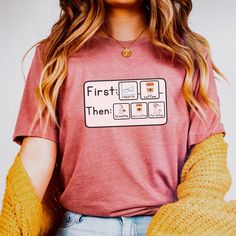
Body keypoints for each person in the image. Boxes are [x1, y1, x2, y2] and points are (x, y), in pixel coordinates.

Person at [2, 0, 234, 235]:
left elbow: (206, 153)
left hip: (168, 226)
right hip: (82, 228)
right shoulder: (54, 55)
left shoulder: (189, 54)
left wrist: (186, 224)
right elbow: (37, 155)